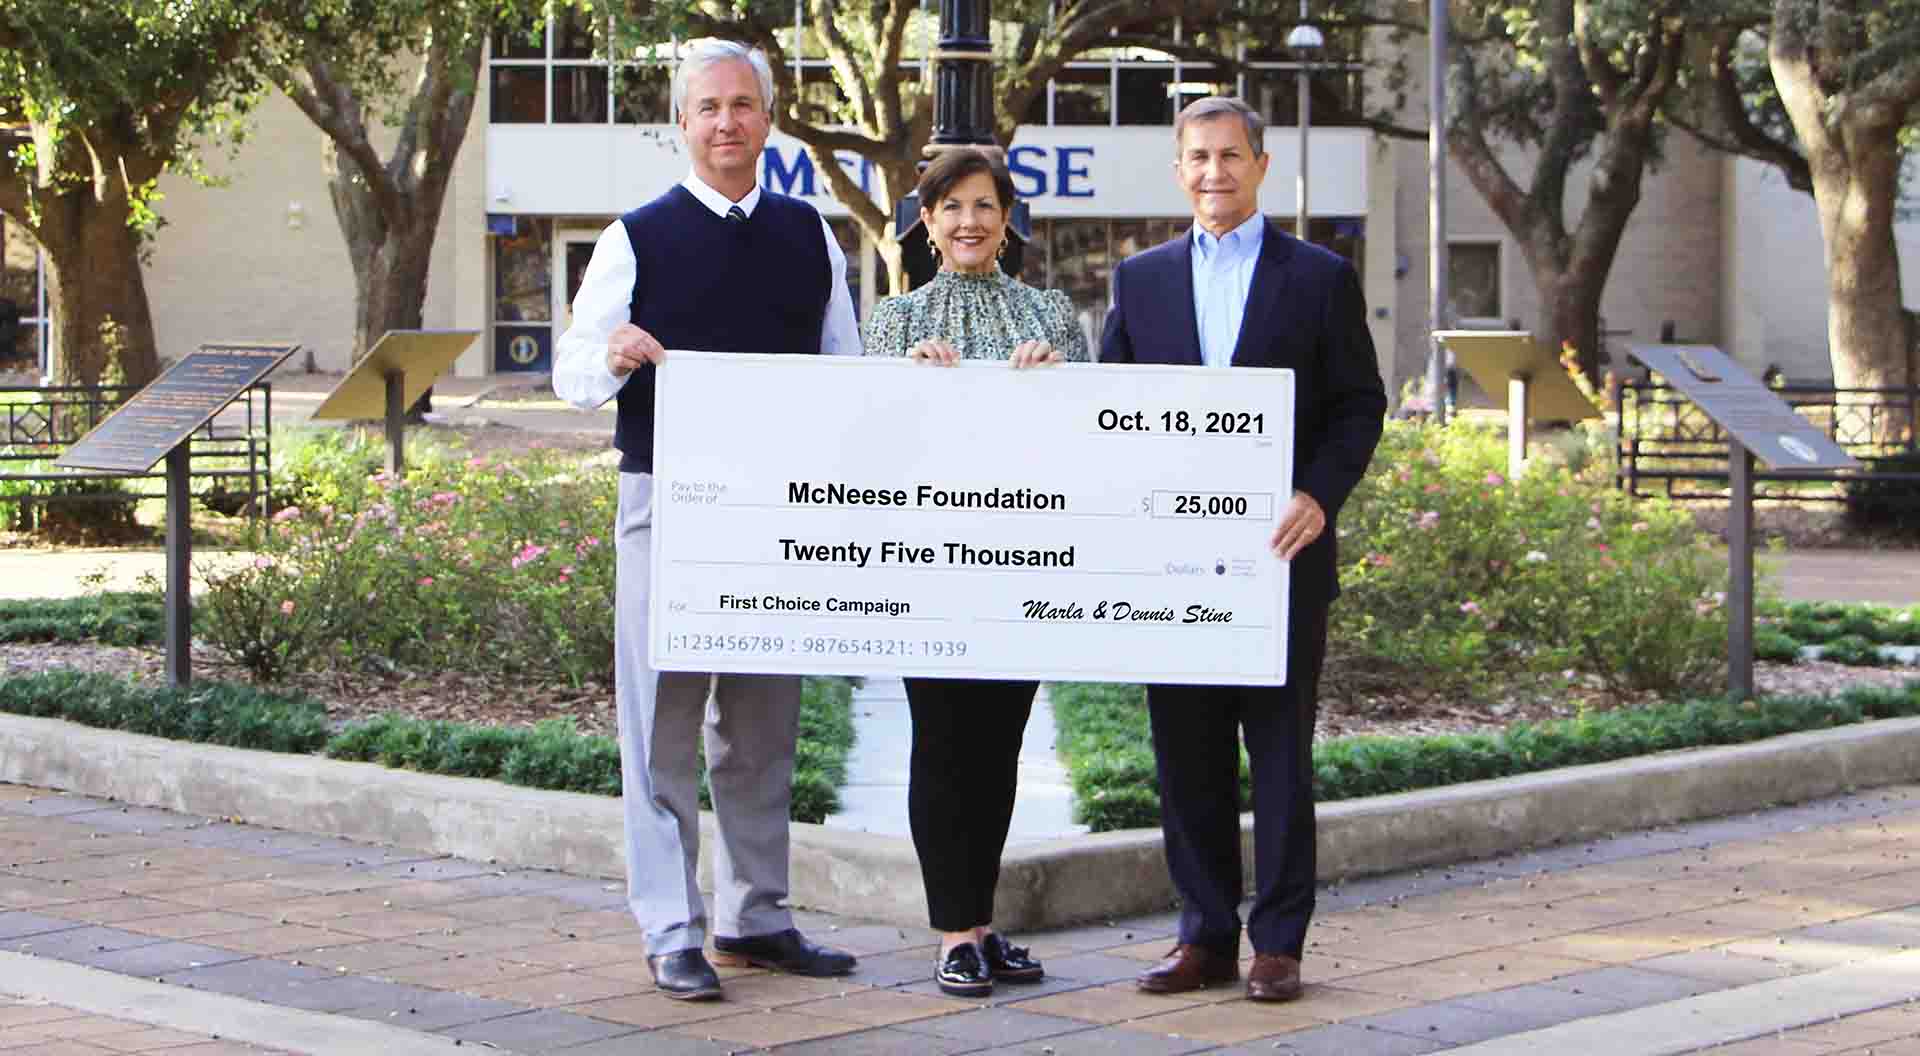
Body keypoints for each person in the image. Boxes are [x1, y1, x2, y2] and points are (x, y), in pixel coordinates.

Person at [552, 38, 861, 1002]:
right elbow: (569, 375)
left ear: (769, 120)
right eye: (708, 107)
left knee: (764, 726)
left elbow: (843, 374)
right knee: (663, 728)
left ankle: (756, 916)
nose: (727, 122)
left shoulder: (811, 234)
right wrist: (617, 352)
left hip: (776, 514)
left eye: (743, 105)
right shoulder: (634, 236)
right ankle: (671, 926)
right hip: (666, 504)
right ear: (683, 125)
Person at [1101, 96, 1387, 1003]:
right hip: (1174, 565)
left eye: (1230, 156)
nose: (1214, 172)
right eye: (1197, 158)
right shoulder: (1138, 281)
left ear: (1262, 165)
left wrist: (1320, 496)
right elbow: (1108, 412)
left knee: (1278, 759)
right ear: (1178, 170)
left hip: (1281, 557)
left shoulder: (1319, 277)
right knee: (1184, 757)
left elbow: (1359, 405)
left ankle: (1278, 945)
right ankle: (1205, 938)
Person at [864, 147, 1087, 997]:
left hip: (1022, 568)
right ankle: (952, 929)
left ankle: (986, 924)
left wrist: (1057, 385)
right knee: (943, 742)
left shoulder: (1052, 317)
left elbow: (1093, 437)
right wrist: (908, 391)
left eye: (984, 206)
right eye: (951, 206)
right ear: (927, 222)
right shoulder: (894, 325)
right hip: (929, 568)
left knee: (1001, 748)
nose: (969, 222)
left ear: (1006, 219)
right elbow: (865, 448)